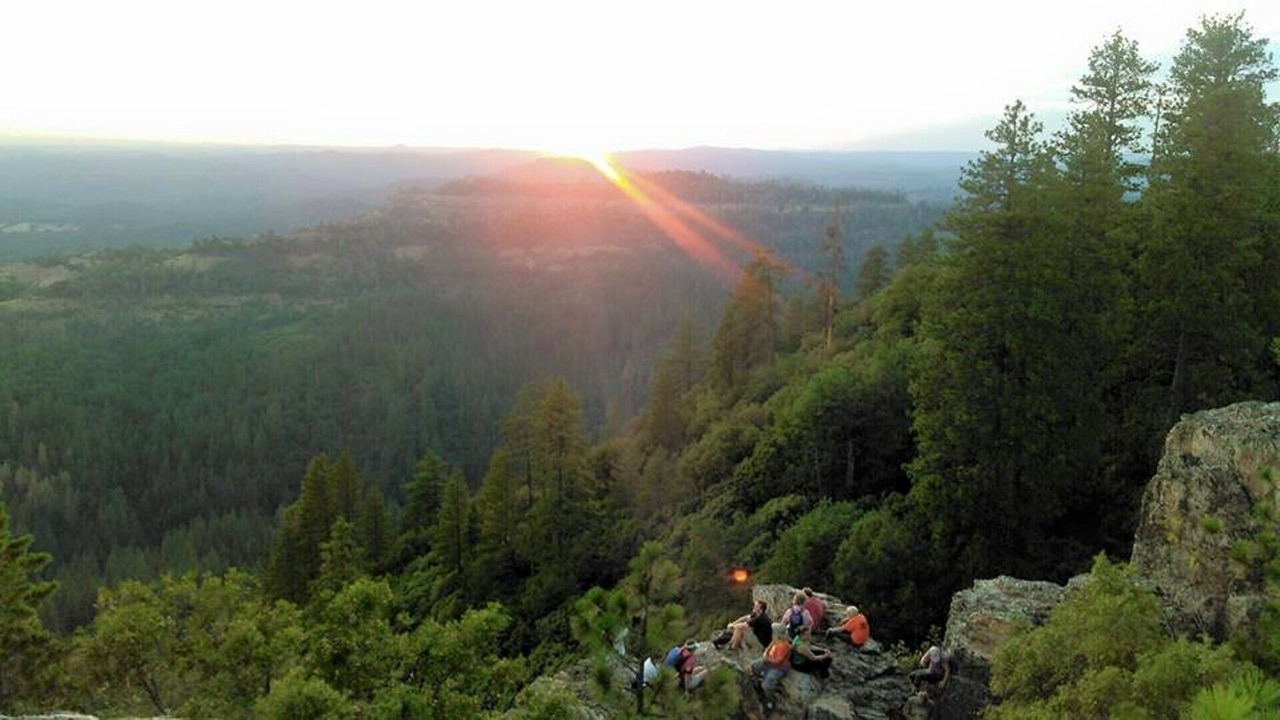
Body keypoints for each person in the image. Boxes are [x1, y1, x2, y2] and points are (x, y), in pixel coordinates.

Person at [750, 636, 793, 705]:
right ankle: (758, 683)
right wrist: (765, 654)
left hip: (779, 667)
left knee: (766, 686)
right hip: (768, 662)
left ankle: (771, 700)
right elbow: (768, 648)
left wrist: (767, 660)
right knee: (753, 665)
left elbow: (778, 661)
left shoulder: (785, 645)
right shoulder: (775, 640)